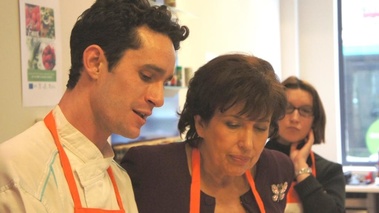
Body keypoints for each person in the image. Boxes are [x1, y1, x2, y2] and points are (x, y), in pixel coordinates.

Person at [0, 0, 189, 212]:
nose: (159, 98)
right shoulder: (14, 176)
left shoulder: (120, 180)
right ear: (95, 62)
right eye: (146, 76)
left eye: (163, 83)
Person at [121, 53, 295, 213]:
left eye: (260, 128)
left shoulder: (277, 169)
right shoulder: (151, 169)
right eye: (233, 125)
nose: (247, 144)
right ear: (200, 123)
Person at [265, 76, 346, 213]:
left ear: (314, 120)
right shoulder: (252, 162)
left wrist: (301, 168)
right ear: (274, 112)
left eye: (305, 110)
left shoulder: (329, 171)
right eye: (287, 108)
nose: (295, 118)